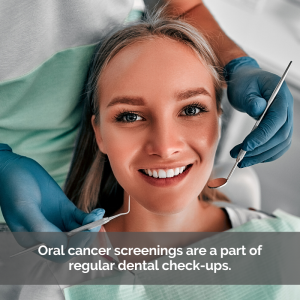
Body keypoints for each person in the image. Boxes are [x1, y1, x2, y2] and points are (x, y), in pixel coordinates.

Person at [13, 13, 299, 300]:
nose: (164, 147)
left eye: (190, 110)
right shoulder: (55, 282)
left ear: (218, 120)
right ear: (99, 134)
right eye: (130, 116)